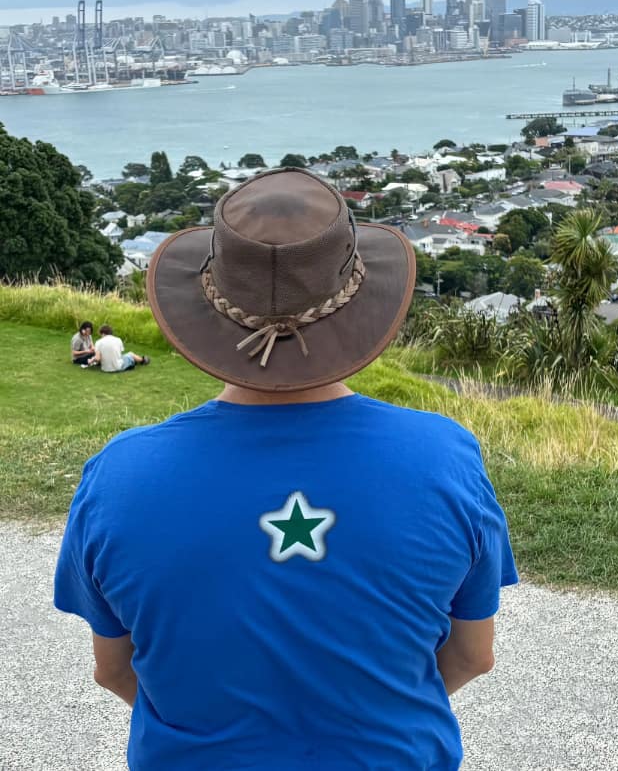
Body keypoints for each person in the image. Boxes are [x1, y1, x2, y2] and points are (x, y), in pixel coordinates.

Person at [54, 168, 517, 771]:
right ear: (363, 306)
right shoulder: (445, 457)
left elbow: (113, 668)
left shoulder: (118, 478)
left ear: (205, 310)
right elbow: (473, 656)